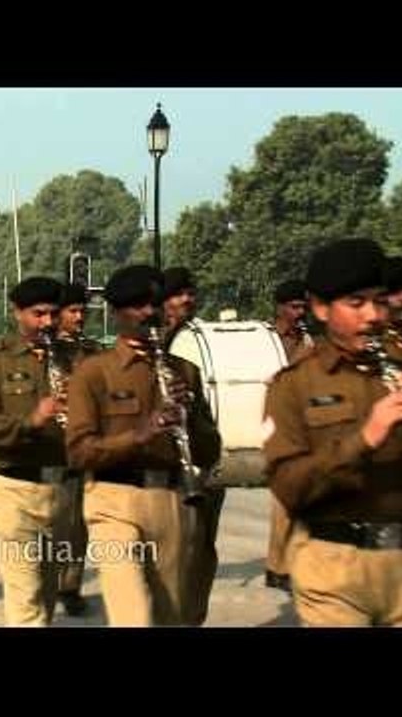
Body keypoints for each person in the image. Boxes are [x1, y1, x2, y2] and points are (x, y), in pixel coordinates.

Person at [263, 238, 402, 626]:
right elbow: (289, 487)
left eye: (380, 301)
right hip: (333, 567)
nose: (373, 315)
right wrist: (365, 438)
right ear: (321, 308)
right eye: (356, 303)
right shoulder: (293, 385)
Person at [66, 265, 221, 626]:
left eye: (154, 303)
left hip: (173, 502)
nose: (149, 312)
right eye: (138, 306)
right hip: (112, 501)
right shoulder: (94, 372)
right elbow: (78, 451)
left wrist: (191, 413)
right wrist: (139, 434)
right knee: (132, 615)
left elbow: (209, 451)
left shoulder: (184, 370)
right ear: (117, 313)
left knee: (173, 617)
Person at [0, 276, 74, 626]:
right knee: (25, 601)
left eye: (53, 314)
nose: (47, 322)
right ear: (17, 312)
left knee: (46, 595)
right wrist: (33, 420)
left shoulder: (76, 357)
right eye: (38, 314)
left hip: (62, 489)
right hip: (13, 488)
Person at [162, 266, 222, 626]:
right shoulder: (151, 341)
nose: (188, 298)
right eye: (178, 293)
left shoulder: (205, 341)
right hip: (163, 464)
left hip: (203, 453)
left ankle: (192, 618)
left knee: (200, 550)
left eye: (190, 291)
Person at [53, 282, 103, 617]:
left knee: (79, 523)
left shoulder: (94, 350)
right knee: (53, 520)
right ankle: (48, 582)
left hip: (84, 443)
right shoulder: (48, 350)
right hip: (52, 446)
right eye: (73, 311)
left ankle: (70, 586)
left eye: (82, 311)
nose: (80, 316)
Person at [264, 278, 315, 592]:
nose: (300, 313)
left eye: (303, 307)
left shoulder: (309, 342)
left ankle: (286, 563)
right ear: (280, 308)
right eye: (295, 307)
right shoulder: (262, 338)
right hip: (270, 421)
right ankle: (277, 565)